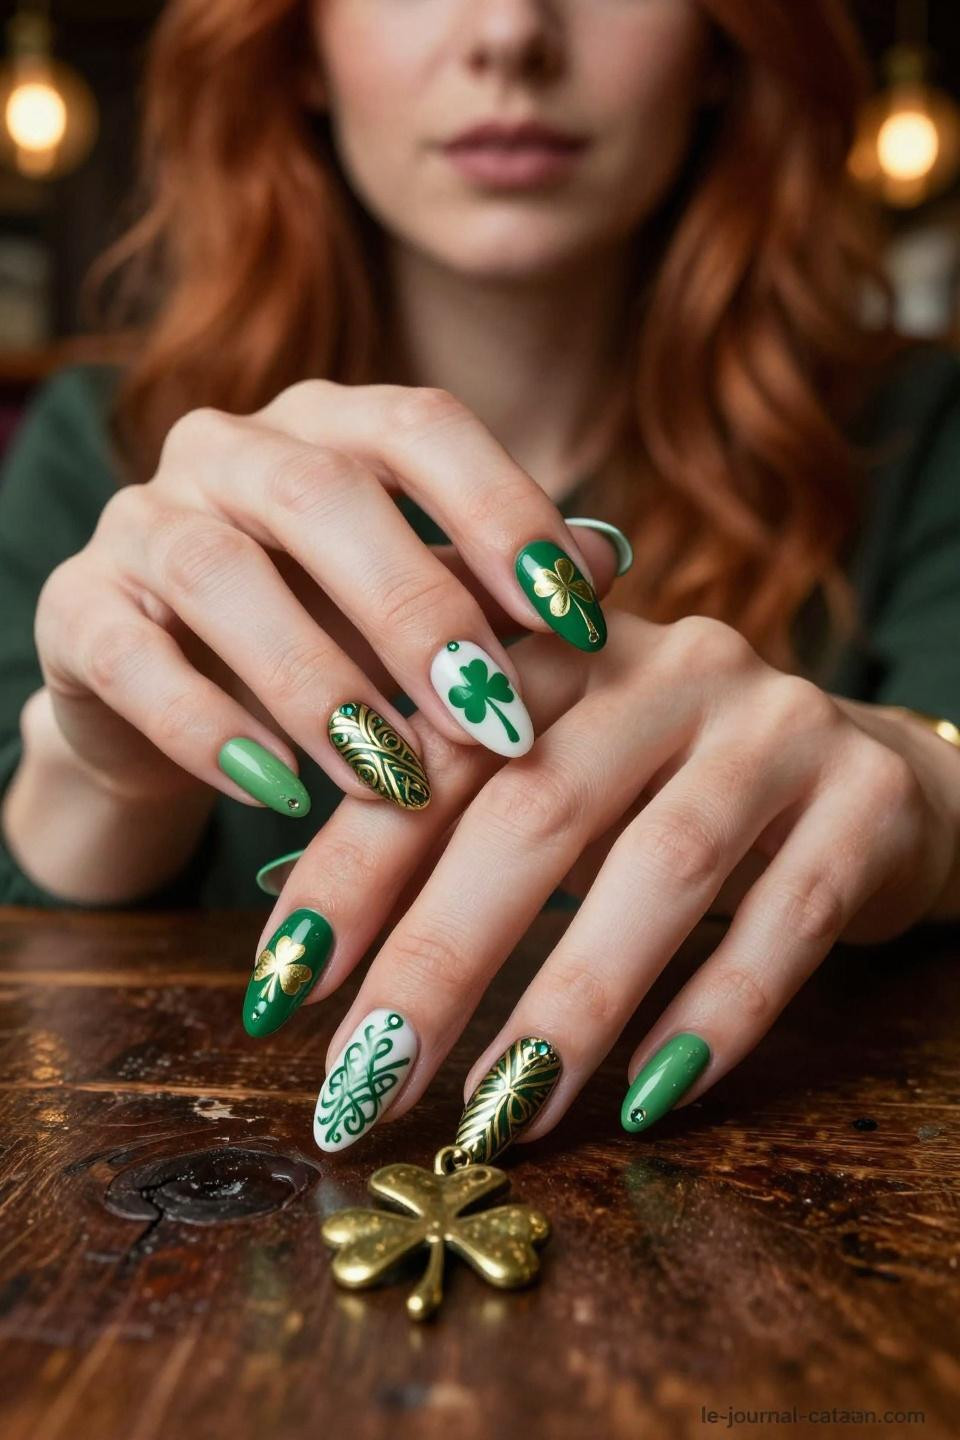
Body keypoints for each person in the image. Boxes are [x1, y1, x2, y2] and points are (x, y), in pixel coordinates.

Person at [1, 0, 959, 1156]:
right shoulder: (109, 449)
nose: (511, 32)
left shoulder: (921, 431)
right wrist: (104, 774)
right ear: (299, 46)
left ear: (723, 43)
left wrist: (925, 793)